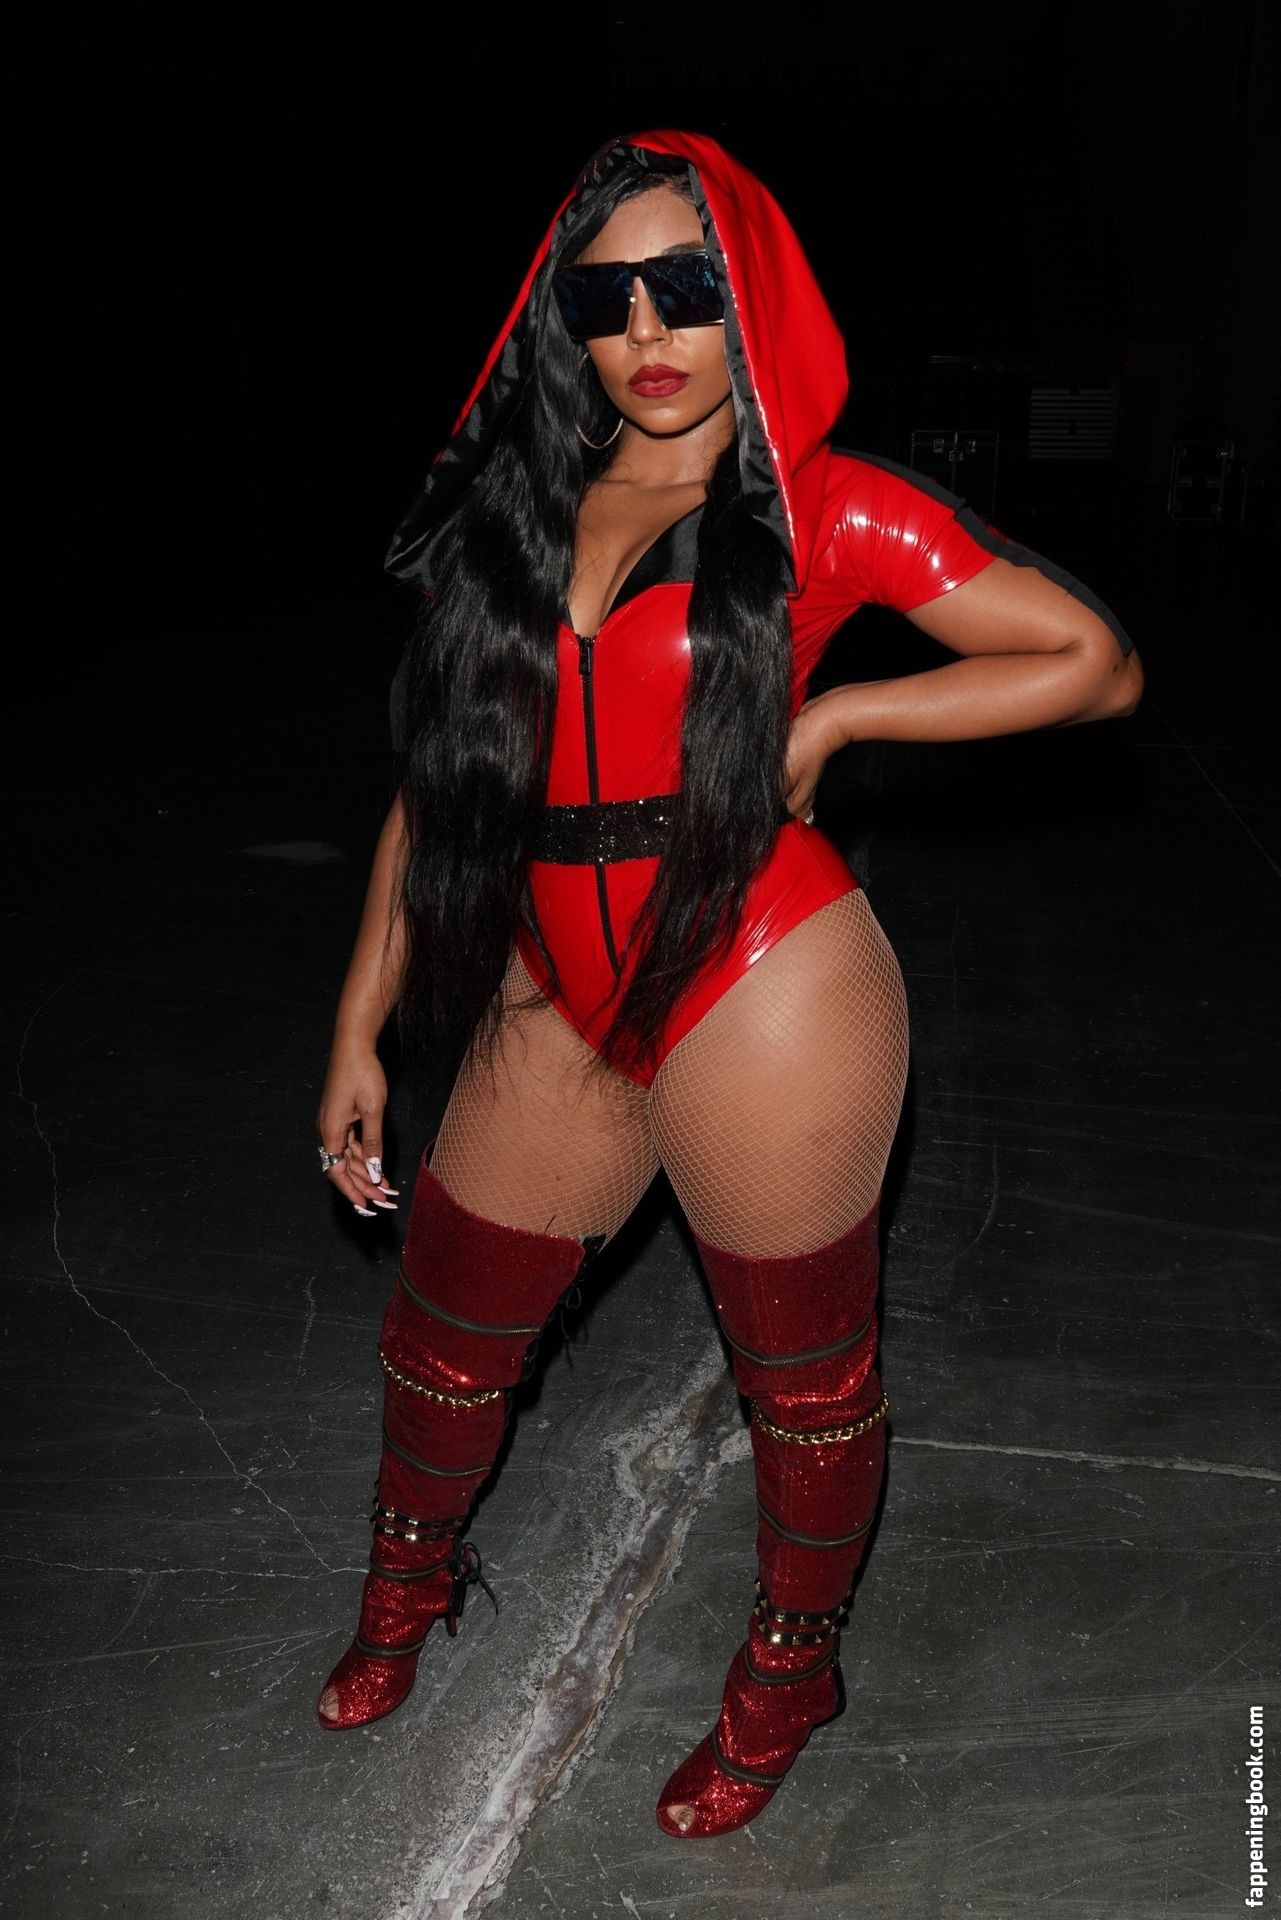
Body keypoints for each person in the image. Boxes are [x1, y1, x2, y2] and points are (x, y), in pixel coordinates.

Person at [312, 129, 1143, 1839]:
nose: (646, 329)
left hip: (764, 977)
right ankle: (404, 1588)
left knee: (802, 1385)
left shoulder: (821, 504)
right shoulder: (515, 514)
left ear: (745, 290)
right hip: (549, 986)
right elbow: (438, 790)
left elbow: (1089, 661)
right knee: (443, 1340)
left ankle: (788, 1672)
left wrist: (836, 717)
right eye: (603, 297)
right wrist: (356, 1027)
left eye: (682, 285)